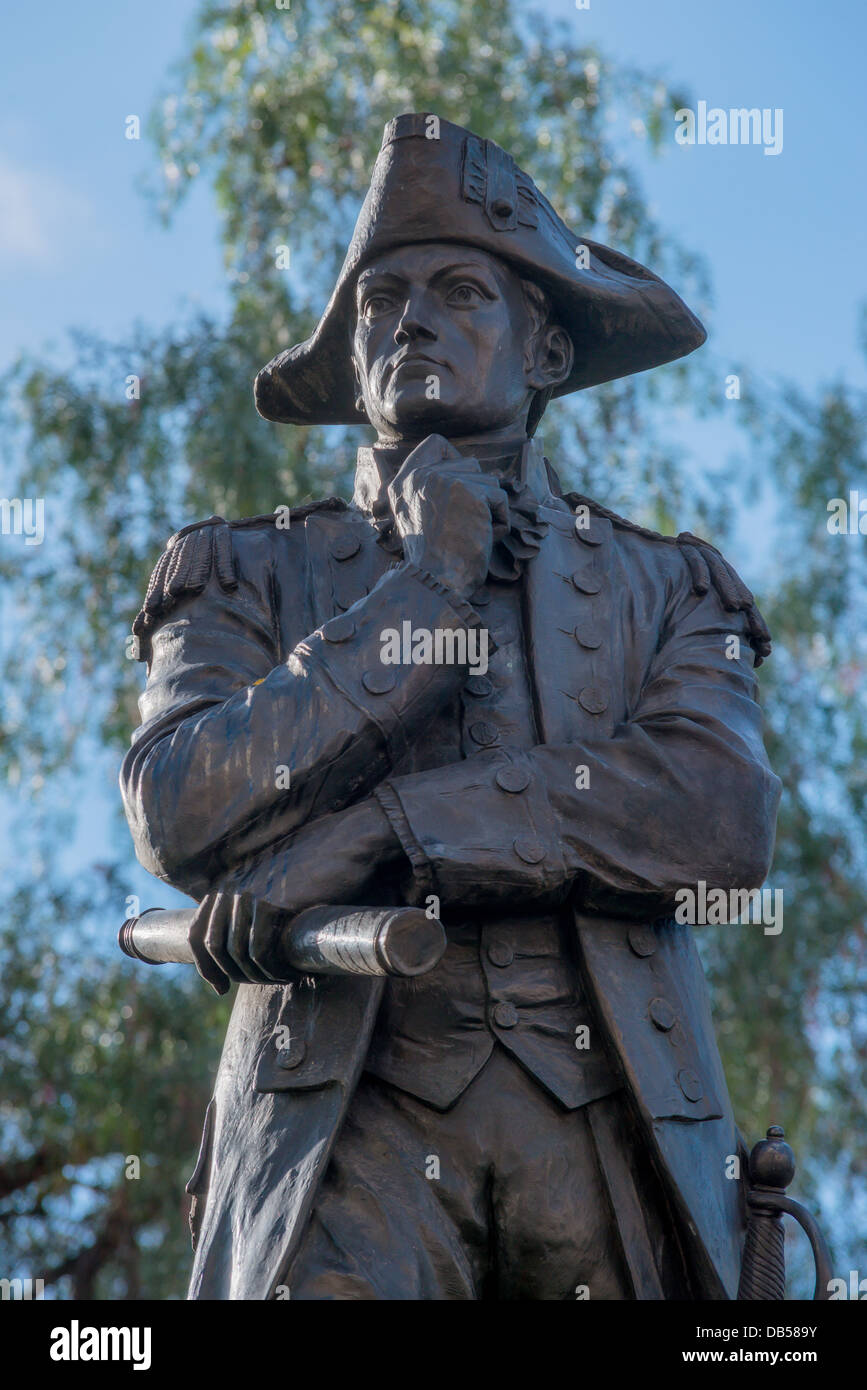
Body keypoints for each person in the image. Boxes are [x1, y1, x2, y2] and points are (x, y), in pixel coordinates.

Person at [121, 114, 781, 1300]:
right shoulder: (244, 570)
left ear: (544, 352)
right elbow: (180, 809)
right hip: (335, 1151)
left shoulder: (665, 584)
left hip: (610, 1142)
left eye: (459, 289)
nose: (409, 319)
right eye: (380, 300)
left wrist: (387, 828)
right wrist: (425, 586)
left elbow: (718, 818)